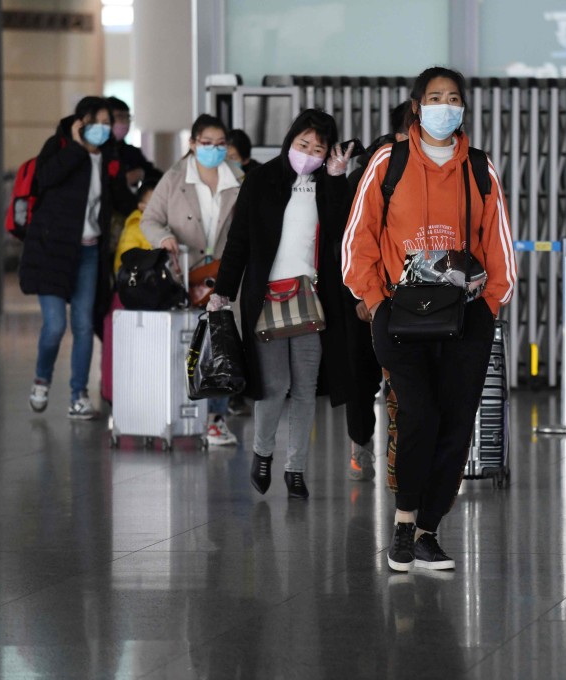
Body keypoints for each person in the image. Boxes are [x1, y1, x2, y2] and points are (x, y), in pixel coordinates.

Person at [342, 67, 517, 572]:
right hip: (398, 316)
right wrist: (374, 300)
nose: (446, 106)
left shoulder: (480, 168)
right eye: (436, 97)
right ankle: (402, 522)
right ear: (417, 106)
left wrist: (489, 305)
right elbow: (360, 238)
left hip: (465, 318)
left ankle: (427, 531)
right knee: (418, 412)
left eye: (454, 97)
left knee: (457, 421)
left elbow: (499, 243)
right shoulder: (387, 162)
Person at [208, 109, 356, 499]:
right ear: (290, 140)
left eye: (318, 148)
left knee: (306, 388)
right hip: (266, 298)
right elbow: (238, 240)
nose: (308, 152)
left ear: (328, 152)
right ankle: (262, 452)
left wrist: (338, 180)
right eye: (302, 144)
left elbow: (344, 232)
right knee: (274, 386)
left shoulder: (328, 184)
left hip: (311, 298)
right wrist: (222, 291)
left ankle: (296, 468)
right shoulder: (261, 179)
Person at [21, 96, 137, 419]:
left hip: (88, 251)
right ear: (80, 122)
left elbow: (118, 198)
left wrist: (147, 206)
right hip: (52, 251)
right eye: (98, 121)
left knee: (84, 325)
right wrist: (75, 146)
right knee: (56, 325)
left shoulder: (108, 155)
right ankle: (42, 379)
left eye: (107, 122)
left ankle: (78, 395)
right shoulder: (58, 146)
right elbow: (44, 180)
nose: (104, 128)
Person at [139, 114, 242, 446]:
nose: (214, 150)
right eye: (207, 143)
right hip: (185, 272)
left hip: (224, 274)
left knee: (222, 345)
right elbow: (150, 220)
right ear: (194, 143)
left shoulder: (238, 178)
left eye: (220, 144)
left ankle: (216, 418)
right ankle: (179, 414)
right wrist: (164, 238)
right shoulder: (175, 178)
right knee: (186, 344)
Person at [340, 102, 410, 482]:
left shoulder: (425, 173)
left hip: (408, 296)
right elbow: (350, 241)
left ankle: (403, 452)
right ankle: (359, 445)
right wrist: (361, 296)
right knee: (362, 374)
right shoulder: (366, 174)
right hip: (365, 296)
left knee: (403, 378)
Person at [101, 179, 158, 405]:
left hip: (148, 298)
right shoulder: (136, 226)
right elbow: (124, 265)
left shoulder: (163, 226)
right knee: (125, 351)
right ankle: (118, 394)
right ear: (142, 206)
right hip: (131, 298)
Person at [106, 96, 162, 187]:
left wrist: (141, 173)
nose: (125, 121)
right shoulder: (97, 151)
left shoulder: (132, 152)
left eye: (127, 117)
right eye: (120, 116)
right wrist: (123, 180)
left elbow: (154, 174)